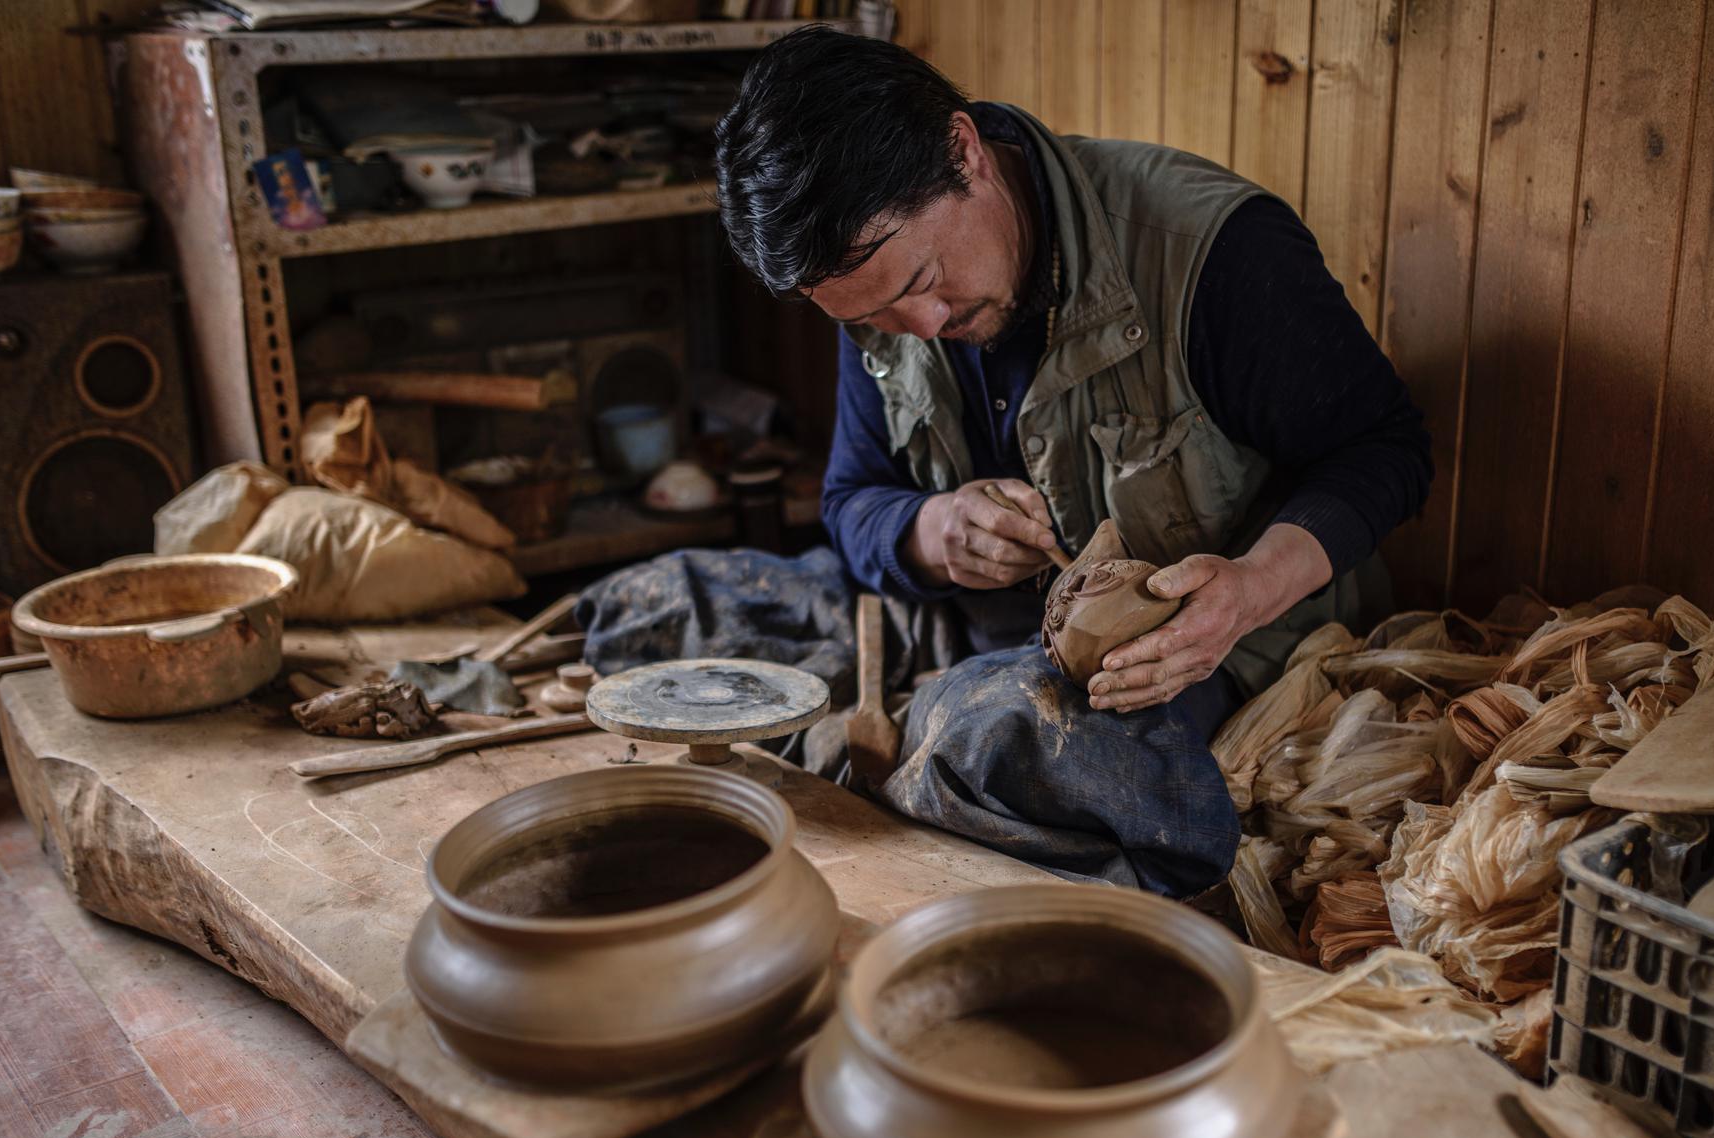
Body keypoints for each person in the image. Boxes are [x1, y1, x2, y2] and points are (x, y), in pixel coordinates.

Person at [582, 26, 1430, 896]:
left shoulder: (1211, 249)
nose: (920, 328)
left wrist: (1246, 590)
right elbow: (849, 500)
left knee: (1004, 739)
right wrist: (929, 531)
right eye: (869, 318)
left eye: (919, 281)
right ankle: (897, 752)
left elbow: (1385, 449)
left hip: (1176, 662)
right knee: (670, 606)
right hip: (965, 622)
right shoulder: (878, 293)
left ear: (963, 150)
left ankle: (898, 766)